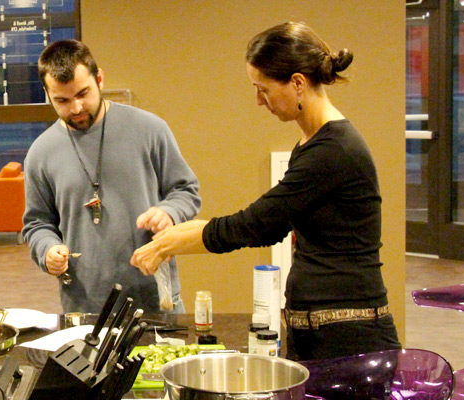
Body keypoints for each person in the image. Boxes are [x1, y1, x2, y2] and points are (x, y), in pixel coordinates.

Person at [131, 22, 401, 361]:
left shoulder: (334, 151)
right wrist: (174, 236)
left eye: (263, 89)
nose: (259, 101)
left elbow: (255, 223)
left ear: (298, 83)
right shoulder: (312, 144)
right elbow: (272, 227)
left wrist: (173, 243)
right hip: (320, 331)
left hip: (349, 338)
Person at [22, 39, 201, 313]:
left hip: (155, 298)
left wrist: (169, 211)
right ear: (48, 95)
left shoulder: (149, 129)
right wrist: (47, 249)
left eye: (84, 93)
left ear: (100, 79)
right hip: (85, 305)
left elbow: (186, 190)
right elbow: (37, 223)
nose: (77, 108)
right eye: (63, 100)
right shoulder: (40, 153)